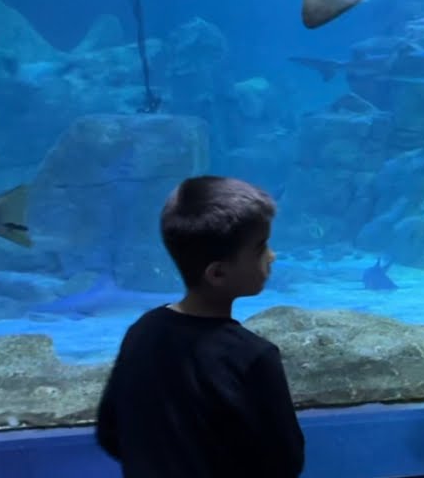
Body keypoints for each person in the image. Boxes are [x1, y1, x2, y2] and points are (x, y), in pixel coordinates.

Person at [95, 175, 305, 478]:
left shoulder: (141, 332)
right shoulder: (253, 357)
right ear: (218, 273)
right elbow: (285, 462)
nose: (272, 256)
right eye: (260, 248)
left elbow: (110, 433)